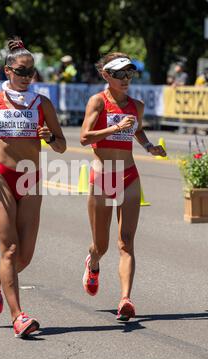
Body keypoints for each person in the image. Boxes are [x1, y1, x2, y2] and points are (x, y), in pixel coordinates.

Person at [0, 37, 66, 338]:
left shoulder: (42, 104)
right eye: (21, 72)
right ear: (8, 70)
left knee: (24, 257)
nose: (26, 77)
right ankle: (18, 316)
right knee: (9, 249)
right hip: (1, 177)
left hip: (30, 180)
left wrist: (49, 137)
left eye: (31, 73)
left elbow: (61, 146)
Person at [80, 52, 166, 321]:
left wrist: (149, 146)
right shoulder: (98, 101)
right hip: (103, 175)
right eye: (120, 74)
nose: (126, 79)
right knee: (101, 245)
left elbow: (137, 129)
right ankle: (92, 263)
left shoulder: (136, 106)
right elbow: (84, 137)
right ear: (106, 76)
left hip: (129, 175)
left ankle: (125, 299)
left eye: (130, 73)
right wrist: (114, 127)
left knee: (126, 242)